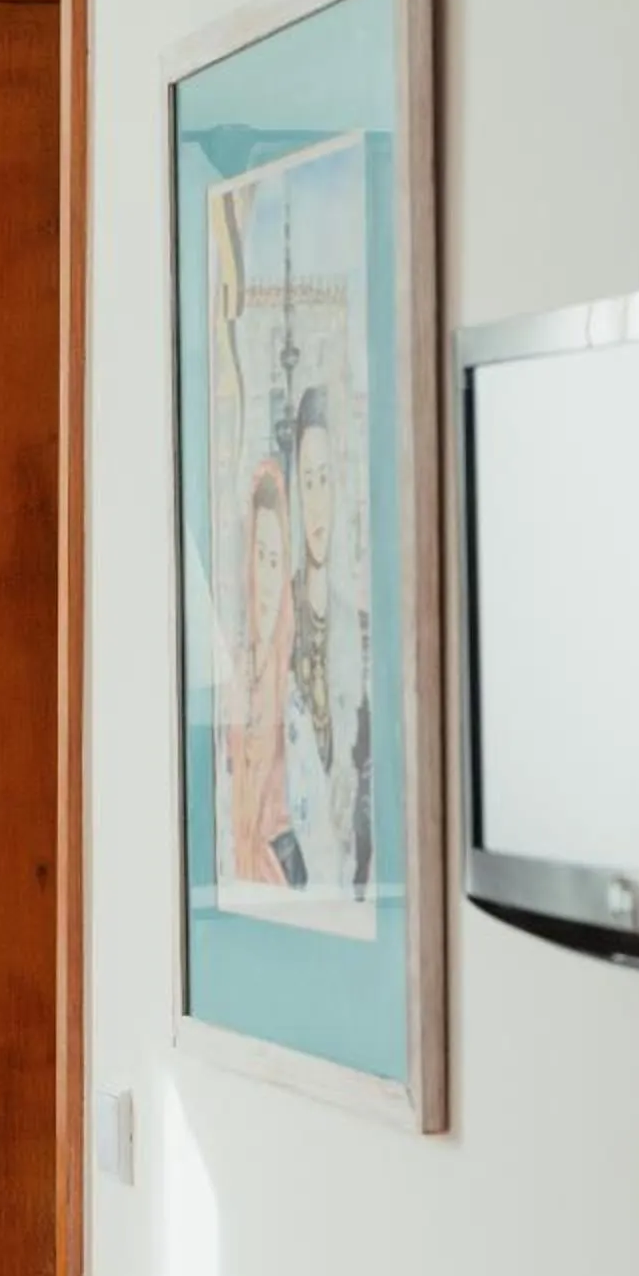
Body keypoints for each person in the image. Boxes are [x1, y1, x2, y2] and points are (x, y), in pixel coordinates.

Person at [284, 386, 372, 900]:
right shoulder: (281, 620)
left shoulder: (354, 625)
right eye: (308, 481)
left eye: (326, 480)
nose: (318, 499)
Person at [223, 460, 302, 885]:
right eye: (260, 557)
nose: (268, 578)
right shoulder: (236, 672)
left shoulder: (293, 680)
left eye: (277, 561)